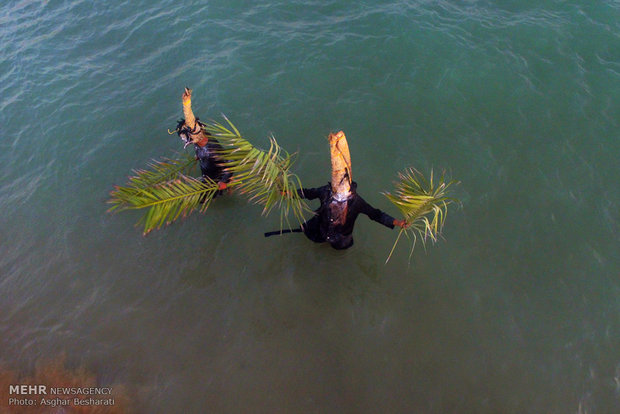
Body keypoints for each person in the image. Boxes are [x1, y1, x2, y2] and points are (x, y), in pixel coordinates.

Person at [265, 131, 406, 249]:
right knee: (311, 234)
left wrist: (398, 222)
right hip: (322, 228)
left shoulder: (356, 202)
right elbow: (307, 193)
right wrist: (287, 193)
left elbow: (375, 214)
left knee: (339, 250)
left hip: (341, 237)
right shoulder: (326, 192)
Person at [176, 88, 231, 192]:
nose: (185, 141)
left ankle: (229, 188)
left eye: (186, 138)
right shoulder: (199, 142)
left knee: (207, 198)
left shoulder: (212, 149)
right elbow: (192, 126)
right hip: (207, 175)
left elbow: (229, 162)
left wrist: (224, 181)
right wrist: (199, 155)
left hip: (217, 179)